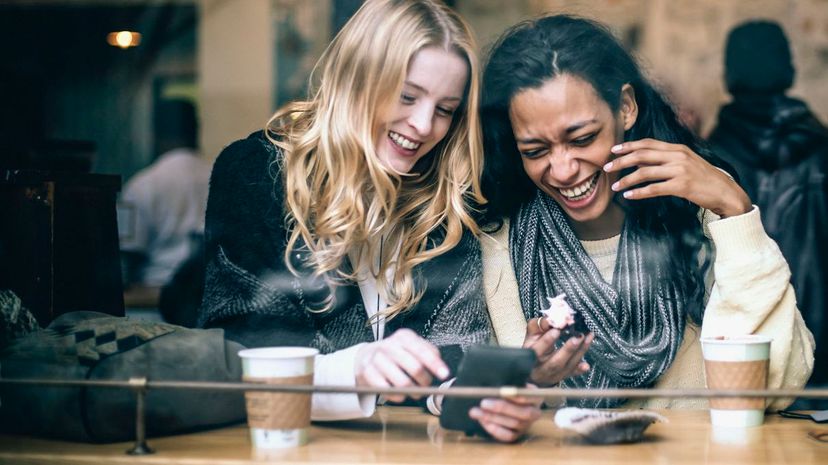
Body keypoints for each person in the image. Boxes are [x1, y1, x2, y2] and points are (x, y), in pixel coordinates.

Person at [197, 0, 539, 442]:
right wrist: (356, 368)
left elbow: (455, 351)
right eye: (407, 95)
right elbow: (245, 355)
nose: (422, 126)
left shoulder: (446, 199)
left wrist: (467, 397)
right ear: (358, 77)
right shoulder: (257, 173)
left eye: (444, 109)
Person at [478, 14, 814, 409]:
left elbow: (779, 383)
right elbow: (484, 410)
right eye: (535, 151)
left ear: (625, 107)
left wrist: (734, 210)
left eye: (583, 138)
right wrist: (526, 379)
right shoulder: (501, 242)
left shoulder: (697, 215)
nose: (564, 169)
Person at [708, 20, 828, 398]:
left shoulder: (709, 162)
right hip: (821, 342)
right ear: (789, 70)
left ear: (728, 75)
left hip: (740, 343)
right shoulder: (822, 151)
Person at [119, 99, 211, 289]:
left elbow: (127, 255)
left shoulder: (142, 184)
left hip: (153, 299)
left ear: (155, 134)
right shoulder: (220, 175)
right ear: (197, 130)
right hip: (207, 296)